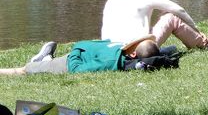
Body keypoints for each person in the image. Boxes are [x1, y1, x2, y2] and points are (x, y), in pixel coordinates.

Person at [0, 36, 160, 76]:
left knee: (25, 70)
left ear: (133, 53)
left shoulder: (112, 61)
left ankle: (40, 61)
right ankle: (46, 58)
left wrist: (76, 49)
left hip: (69, 62)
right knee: (44, 63)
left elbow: (76, 70)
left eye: (135, 43)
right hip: (82, 54)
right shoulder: (123, 50)